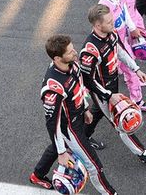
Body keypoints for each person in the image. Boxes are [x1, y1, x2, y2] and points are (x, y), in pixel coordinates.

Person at [30, 34, 118, 194]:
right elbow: (52, 123)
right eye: (70, 52)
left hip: (78, 118)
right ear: (57, 58)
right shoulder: (52, 88)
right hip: (69, 129)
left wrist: (85, 109)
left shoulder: (73, 65)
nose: (75, 53)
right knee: (95, 167)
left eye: (73, 49)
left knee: (59, 146)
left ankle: (37, 175)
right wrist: (62, 153)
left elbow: (80, 87)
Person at [80, 4, 146, 164]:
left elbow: (120, 52)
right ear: (98, 25)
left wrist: (136, 68)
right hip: (102, 92)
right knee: (122, 122)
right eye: (110, 22)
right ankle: (143, 154)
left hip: (113, 87)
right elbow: (87, 80)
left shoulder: (110, 34)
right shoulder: (89, 50)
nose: (114, 24)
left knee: (97, 112)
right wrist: (108, 95)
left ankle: (84, 136)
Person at [98, 0, 146, 114]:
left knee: (130, 70)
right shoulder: (104, 7)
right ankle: (137, 102)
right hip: (114, 46)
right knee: (131, 71)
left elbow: (125, 12)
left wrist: (132, 28)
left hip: (123, 41)